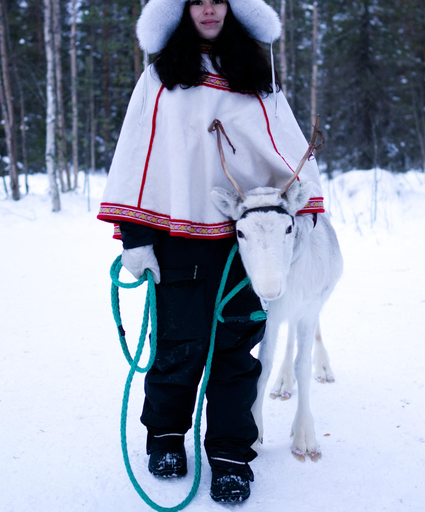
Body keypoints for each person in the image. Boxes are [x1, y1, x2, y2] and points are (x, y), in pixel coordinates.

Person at [97, 0, 324, 503]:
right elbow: (138, 152)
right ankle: (165, 437)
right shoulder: (160, 78)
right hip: (176, 237)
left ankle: (229, 455)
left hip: (248, 247)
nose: (207, 9)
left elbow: (287, 150)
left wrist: (301, 214)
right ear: (180, 10)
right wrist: (134, 236)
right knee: (177, 347)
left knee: (236, 356)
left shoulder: (258, 76)